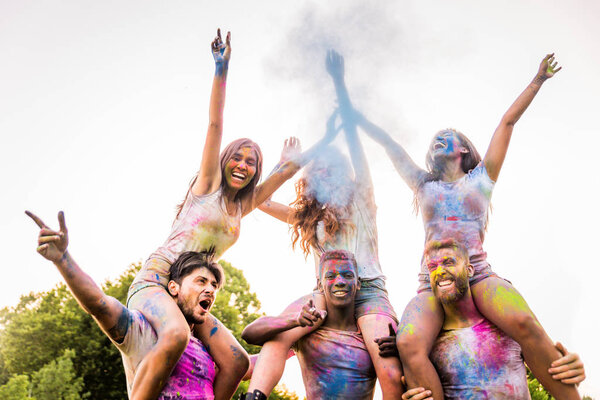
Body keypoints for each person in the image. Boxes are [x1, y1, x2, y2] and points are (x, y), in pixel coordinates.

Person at [344, 52, 577, 399]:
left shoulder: (481, 180)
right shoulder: (424, 185)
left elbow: (507, 123)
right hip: (432, 280)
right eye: (434, 138)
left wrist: (538, 80)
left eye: (446, 135)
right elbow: (390, 145)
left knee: (527, 324)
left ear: (464, 148)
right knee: (407, 341)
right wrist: (352, 108)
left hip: (478, 273)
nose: (437, 139)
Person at [125, 29, 307, 399]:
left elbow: (283, 175)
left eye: (251, 163)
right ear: (225, 161)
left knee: (237, 362)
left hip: (191, 293)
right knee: (175, 335)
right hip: (158, 281)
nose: (242, 165)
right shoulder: (206, 187)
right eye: (237, 158)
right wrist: (221, 69)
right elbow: (215, 125)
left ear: (255, 172)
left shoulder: (243, 207)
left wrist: (291, 163)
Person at [247, 52, 402, 400]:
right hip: (325, 293)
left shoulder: (362, 201)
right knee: (279, 332)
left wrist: (339, 84)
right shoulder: (309, 218)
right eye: (315, 170)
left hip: (369, 291)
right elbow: (257, 201)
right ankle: (255, 396)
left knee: (388, 363)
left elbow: (356, 146)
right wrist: (284, 166)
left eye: (330, 167)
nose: (322, 172)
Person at [26, 210, 230, 399]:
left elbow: (246, 367)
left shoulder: (207, 348)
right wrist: (63, 259)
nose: (210, 289)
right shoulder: (146, 330)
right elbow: (99, 304)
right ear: (174, 288)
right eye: (201, 281)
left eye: (214, 285)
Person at [391, 239, 586, 400]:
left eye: (449, 262)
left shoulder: (508, 328)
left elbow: (555, 371)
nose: (440, 271)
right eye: (432, 267)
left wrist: (571, 369)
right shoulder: (429, 345)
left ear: (469, 270)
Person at [242, 250, 398, 400]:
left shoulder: (371, 335)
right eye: (331, 276)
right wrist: (294, 321)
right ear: (320, 283)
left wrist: (399, 349)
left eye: (347, 275)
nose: (340, 282)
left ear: (358, 283)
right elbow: (250, 334)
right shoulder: (308, 329)